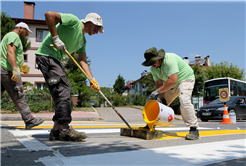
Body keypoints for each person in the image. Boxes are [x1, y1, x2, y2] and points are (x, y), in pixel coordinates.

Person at [35, 11, 103, 141]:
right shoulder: (74, 22)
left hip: (55, 59)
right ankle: (65, 130)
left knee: (60, 92)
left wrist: (92, 79)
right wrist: (55, 37)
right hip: (48, 55)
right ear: (91, 22)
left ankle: (56, 130)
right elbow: (49, 15)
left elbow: (82, 60)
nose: (97, 31)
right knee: (63, 91)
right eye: (97, 27)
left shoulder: (82, 40)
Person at [142, 47, 199, 140]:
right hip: (170, 84)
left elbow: (172, 80)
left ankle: (193, 129)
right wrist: (161, 97)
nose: (152, 65)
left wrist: (157, 92)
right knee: (159, 103)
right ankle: (150, 125)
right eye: (150, 63)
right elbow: (159, 84)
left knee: (184, 101)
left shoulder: (169, 60)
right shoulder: (154, 69)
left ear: (159, 58)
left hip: (185, 79)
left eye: (153, 62)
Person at [0, 22, 45, 129]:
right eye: (26, 32)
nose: (27, 35)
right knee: (18, 95)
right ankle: (29, 120)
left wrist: (19, 66)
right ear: (20, 28)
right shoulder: (14, 36)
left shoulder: (7, 36)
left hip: (2, 70)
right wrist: (15, 69)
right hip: (8, 71)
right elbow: (10, 52)